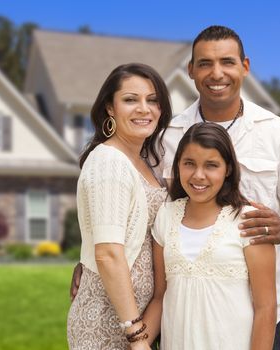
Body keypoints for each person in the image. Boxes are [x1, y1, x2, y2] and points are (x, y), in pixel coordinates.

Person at [71, 25, 280, 349]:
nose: (216, 73)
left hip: (257, 319)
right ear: (191, 70)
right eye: (205, 63)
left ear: (245, 67)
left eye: (227, 62)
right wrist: (93, 260)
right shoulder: (165, 135)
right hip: (178, 316)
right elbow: (130, 202)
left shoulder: (279, 133)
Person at [66, 63, 171, 350]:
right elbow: (109, 254)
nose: (144, 109)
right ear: (110, 108)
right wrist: (136, 336)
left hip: (137, 320)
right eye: (130, 100)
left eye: (152, 100)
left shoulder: (146, 162)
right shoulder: (108, 161)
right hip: (108, 320)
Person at [147, 122, 276, 349]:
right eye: (189, 164)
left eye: (211, 165)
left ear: (227, 169)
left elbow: (266, 308)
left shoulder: (250, 221)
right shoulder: (166, 216)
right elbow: (160, 296)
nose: (199, 175)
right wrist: (137, 343)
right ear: (178, 165)